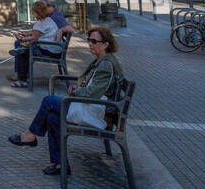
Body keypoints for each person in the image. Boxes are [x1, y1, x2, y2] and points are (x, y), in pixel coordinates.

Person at [8, 26, 124, 176]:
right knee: (52, 116)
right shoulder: (103, 61)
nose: (90, 44)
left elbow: (93, 94)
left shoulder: (106, 65)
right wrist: (77, 87)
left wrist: (75, 91)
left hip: (100, 114)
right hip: (94, 108)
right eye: (89, 40)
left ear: (106, 44)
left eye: (95, 41)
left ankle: (30, 135)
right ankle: (59, 164)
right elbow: (92, 88)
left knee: (49, 101)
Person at [10, 0, 73, 87]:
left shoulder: (39, 23)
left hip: (49, 51)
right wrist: (26, 34)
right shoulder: (49, 20)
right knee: (24, 48)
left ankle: (22, 79)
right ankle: (22, 71)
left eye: (34, 12)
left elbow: (34, 38)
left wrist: (21, 39)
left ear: (36, 13)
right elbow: (38, 33)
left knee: (24, 51)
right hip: (57, 51)